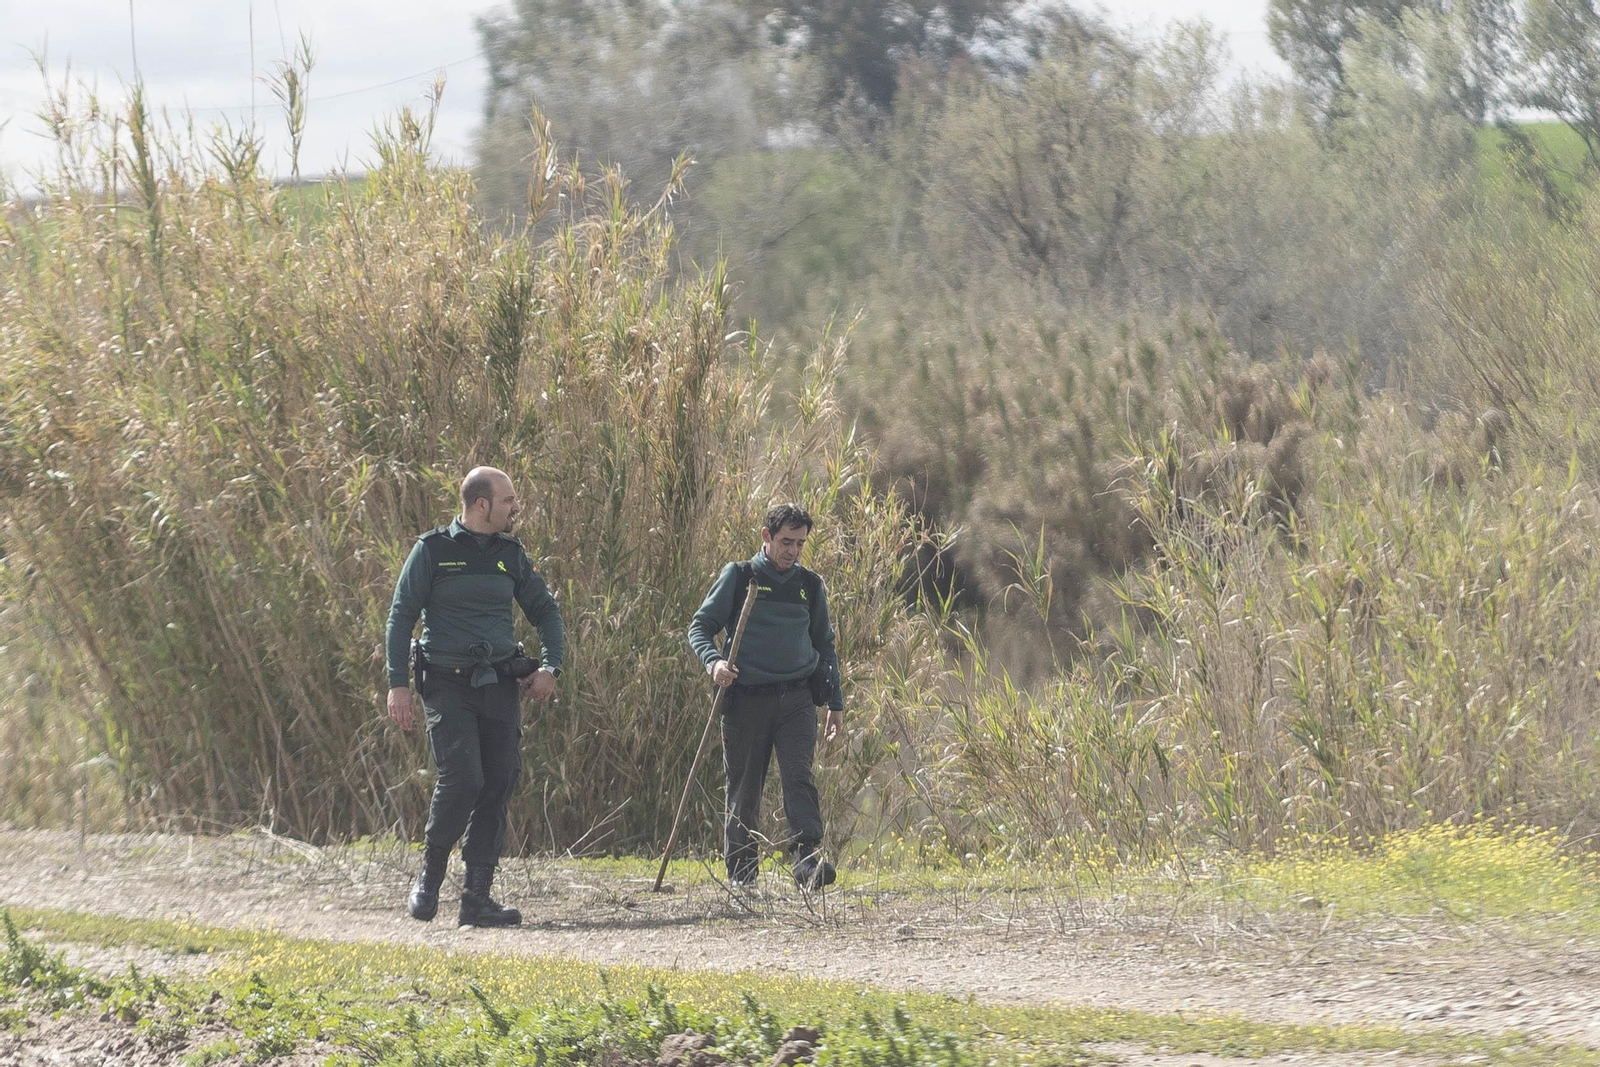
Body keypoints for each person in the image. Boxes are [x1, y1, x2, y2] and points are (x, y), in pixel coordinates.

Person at [385, 466, 565, 927]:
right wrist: (397, 684)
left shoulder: (511, 554)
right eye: (508, 500)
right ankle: (429, 879)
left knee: (499, 779)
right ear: (481, 505)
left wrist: (550, 667)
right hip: (446, 684)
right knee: (463, 777)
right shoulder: (433, 550)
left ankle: (477, 898)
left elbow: (546, 611)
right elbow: (401, 616)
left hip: (499, 683)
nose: (515, 507)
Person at [688, 503, 845, 890]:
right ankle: (742, 877)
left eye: (800, 543)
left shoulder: (810, 585)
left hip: (797, 698)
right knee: (744, 789)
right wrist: (714, 663)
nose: (793, 551)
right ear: (766, 536)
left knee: (799, 778)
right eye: (786, 542)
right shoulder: (741, 577)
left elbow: (825, 645)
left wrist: (835, 703)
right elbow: (700, 627)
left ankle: (807, 863)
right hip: (746, 699)